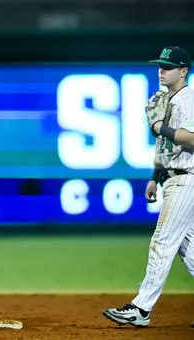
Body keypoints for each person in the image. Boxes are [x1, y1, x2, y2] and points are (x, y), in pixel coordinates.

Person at [103, 46, 194, 328]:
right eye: (160, 65)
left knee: (162, 242)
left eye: (168, 66)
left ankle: (141, 309)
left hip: (188, 177)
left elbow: (191, 138)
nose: (161, 70)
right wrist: (155, 176)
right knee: (188, 249)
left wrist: (159, 127)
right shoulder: (168, 99)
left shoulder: (188, 98)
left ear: (183, 71)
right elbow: (166, 147)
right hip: (175, 175)